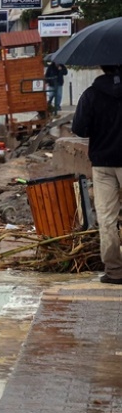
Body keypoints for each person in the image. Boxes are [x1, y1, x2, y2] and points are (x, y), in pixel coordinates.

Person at [72, 66, 122, 284]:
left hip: (102, 164)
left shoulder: (91, 94)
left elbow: (79, 129)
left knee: (107, 219)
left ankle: (114, 271)